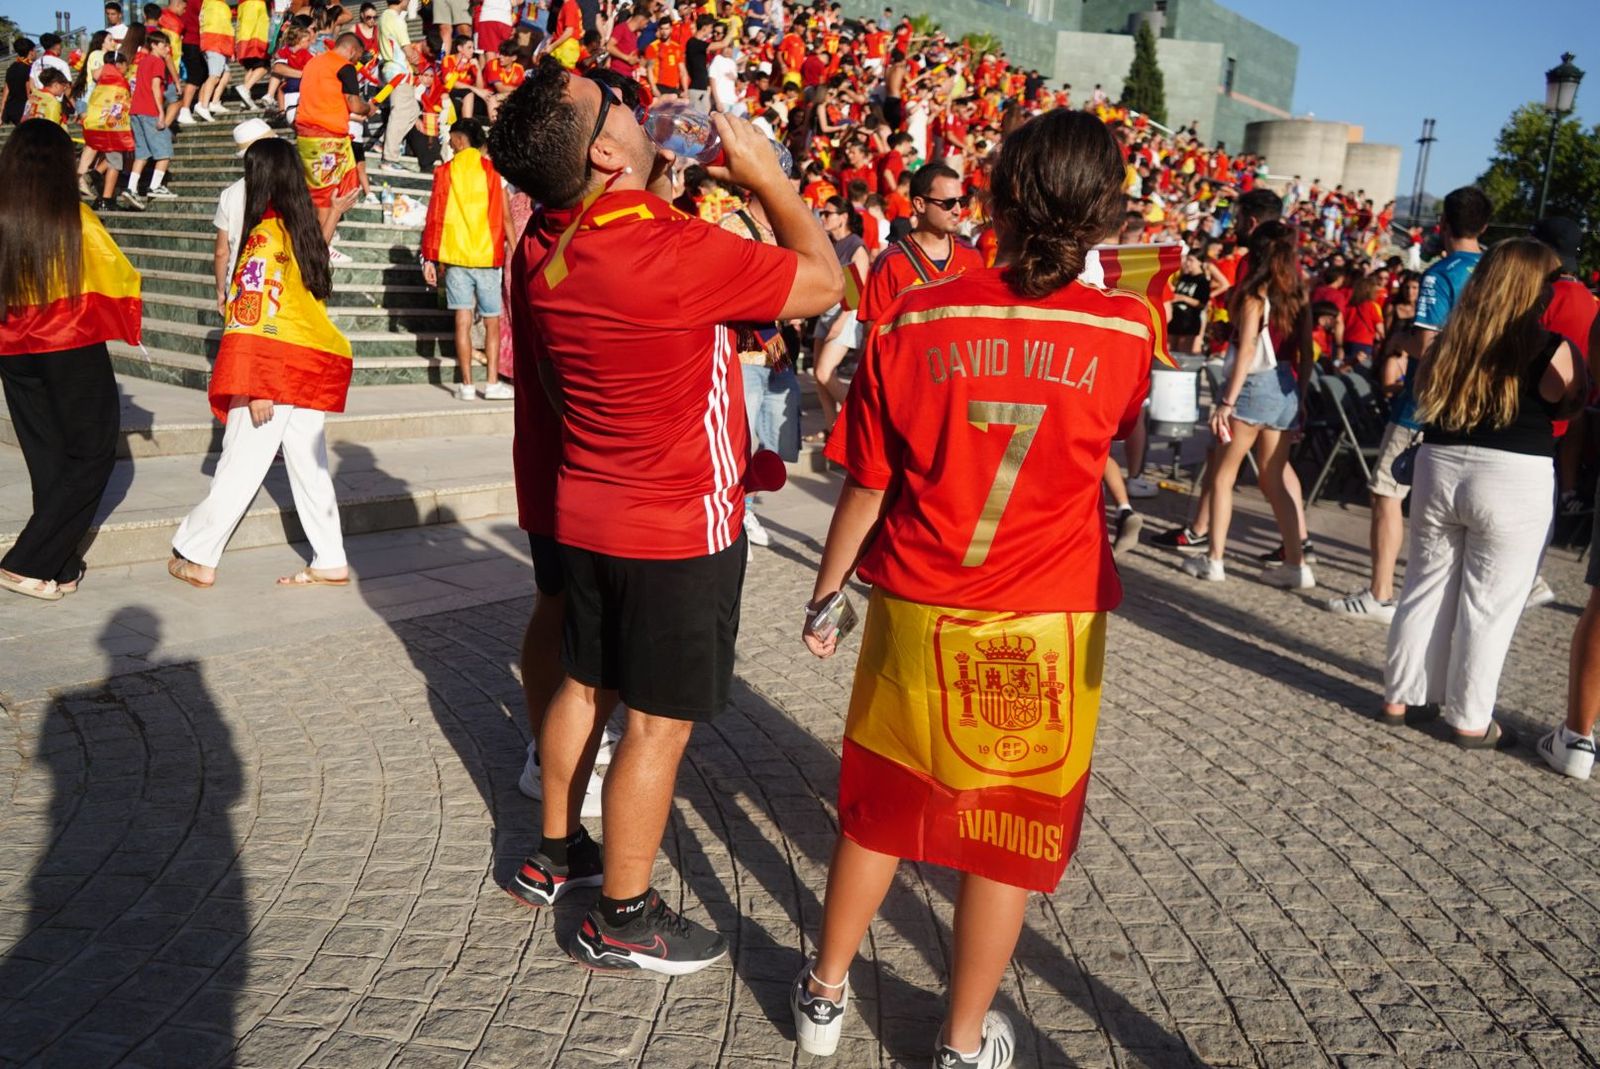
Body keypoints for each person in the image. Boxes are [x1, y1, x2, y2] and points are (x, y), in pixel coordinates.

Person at [794, 109, 1155, 1069]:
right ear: (1105, 211)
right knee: (1005, 830)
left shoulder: (915, 313)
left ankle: (823, 994)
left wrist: (826, 594)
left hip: (920, 598)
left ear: (993, 196)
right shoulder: (1127, 328)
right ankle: (960, 1040)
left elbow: (867, 480)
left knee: (883, 809)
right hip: (1046, 615)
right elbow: (1111, 436)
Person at [486, 58, 841, 971]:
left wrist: (662, 191)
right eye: (620, 108)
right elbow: (824, 282)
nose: (640, 111)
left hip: (588, 507)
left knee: (584, 684)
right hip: (677, 522)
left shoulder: (544, 242)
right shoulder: (667, 251)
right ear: (607, 150)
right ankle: (623, 912)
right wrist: (766, 176)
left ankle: (555, 853)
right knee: (655, 723)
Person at [1382, 238, 1588, 749]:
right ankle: (1471, 719)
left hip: (1441, 466)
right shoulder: (1553, 347)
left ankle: (1402, 697)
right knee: (1490, 604)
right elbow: (1570, 403)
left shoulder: (1452, 339)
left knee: (1425, 585)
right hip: (1514, 474)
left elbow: (1425, 391)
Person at [169, 137, 355, 589]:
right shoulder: (301, 229)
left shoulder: (264, 236)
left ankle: (198, 555)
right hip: (304, 365)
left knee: (239, 466)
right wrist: (334, 212)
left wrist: (255, 384)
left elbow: (255, 312)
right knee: (310, 469)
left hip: (270, 369)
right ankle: (329, 557)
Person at [1325, 187, 1490, 623]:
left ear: (1443, 227)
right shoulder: (1497, 272)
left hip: (1425, 402)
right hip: (1477, 405)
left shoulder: (1441, 273)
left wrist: (1400, 340)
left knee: (1386, 491)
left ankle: (1379, 594)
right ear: (1486, 227)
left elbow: (1428, 345)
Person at [0, 120, 139, 602]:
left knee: (48, 454)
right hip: (69, 343)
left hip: (13, 348)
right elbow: (118, 277)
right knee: (94, 452)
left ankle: (59, 564)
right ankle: (25, 561)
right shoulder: (74, 219)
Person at [1180, 221, 1315, 588]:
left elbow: (1249, 350)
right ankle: (1296, 563)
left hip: (1254, 386)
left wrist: (1227, 401)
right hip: (1285, 386)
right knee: (1274, 479)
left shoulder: (1256, 294)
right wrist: (1299, 395)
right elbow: (1306, 351)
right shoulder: (1298, 293)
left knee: (1223, 476)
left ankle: (1215, 559)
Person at [421, 118, 515, 401]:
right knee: (491, 321)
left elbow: (434, 215)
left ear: (461, 140)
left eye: (451, 138)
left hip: (455, 256)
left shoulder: (445, 172)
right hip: (487, 256)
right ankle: (492, 383)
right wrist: (517, 248)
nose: (449, 143)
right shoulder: (493, 172)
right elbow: (507, 216)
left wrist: (429, 257)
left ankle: (466, 386)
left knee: (461, 320)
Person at [856, 161, 983, 330]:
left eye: (962, 201)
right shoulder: (890, 262)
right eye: (949, 203)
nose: (957, 210)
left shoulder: (971, 256)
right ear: (920, 204)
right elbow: (874, 330)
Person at [294, 33, 372, 256]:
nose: (358, 61)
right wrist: (369, 109)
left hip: (307, 135)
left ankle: (325, 234)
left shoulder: (313, 62)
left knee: (338, 181)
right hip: (327, 137)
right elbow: (355, 105)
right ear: (352, 51)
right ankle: (321, 245)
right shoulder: (345, 67)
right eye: (358, 56)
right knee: (327, 191)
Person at [805, 195, 868, 440]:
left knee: (823, 372)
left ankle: (860, 416)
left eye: (828, 214)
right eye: (822, 213)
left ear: (843, 218)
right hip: (826, 313)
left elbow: (856, 293)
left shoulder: (855, 245)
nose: (823, 218)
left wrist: (840, 322)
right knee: (819, 378)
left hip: (846, 314)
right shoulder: (830, 243)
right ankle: (833, 431)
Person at [81, 51, 140, 213]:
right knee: (115, 163)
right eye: (124, 64)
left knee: (112, 158)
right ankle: (105, 200)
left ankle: (93, 175)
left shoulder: (101, 82)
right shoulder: (119, 82)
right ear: (118, 64)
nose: (126, 68)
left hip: (96, 126)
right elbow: (122, 106)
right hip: (112, 127)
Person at [127, 32, 178, 200]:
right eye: (164, 46)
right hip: (150, 111)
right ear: (154, 45)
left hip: (136, 111)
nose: (167, 50)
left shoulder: (143, 62)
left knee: (142, 153)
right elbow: (156, 87)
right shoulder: (157, 62)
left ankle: (131, 188)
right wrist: (161, 112)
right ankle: (155, 186)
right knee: (165, 152)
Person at [377, 0, 420, 168]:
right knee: (401, 113)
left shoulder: (385, 17)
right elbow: (408, 50)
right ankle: (389, 158)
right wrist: (415, 58)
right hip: (398, 71)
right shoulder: (396, 19)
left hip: (395, 70)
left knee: (413, 110)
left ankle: (382, 142)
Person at [195, 0, 235, 121]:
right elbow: (220, 25)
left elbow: (225, 26)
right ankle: (203, 105)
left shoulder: (218, 5)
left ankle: (214, 102)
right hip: (215, 43)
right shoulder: (213, 4)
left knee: (226, 74)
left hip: (220, 43)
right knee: (214, 76)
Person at [2, 39, 38, 125]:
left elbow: (6, 91)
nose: (36, 53)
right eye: (35, 50)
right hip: (24, 109)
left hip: (12, 109)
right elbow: (29, 89)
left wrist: (2, 109)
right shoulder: (29, 68)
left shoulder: (11, 68)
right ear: (31, 52)